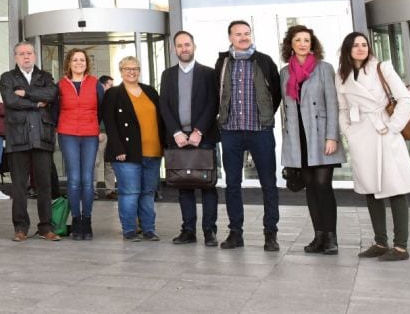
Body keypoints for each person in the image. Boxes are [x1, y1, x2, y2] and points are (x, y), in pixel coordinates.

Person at [336, 33, 410, 261]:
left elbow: (406, 100)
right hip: (361, 135)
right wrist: (348, 131)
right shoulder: (342, 76)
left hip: (384, 132)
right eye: (356, 45)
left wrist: (392, 127)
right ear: (347, 49)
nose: (361, 48)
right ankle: (380, 242)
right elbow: (342, 109)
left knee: (395, 188)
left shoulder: (382, 67)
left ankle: (401, 247)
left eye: (364, 44)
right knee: (371, 189)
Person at [214, 20, 282, 251]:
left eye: (246, 33)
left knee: (268, 184)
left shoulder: (264, 61)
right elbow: (217, 92)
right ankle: (235, 233)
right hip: (230, 131)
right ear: (230, 38)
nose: (243, 37)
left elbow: (277, 92)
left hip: (260, 131)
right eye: (238, 34)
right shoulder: (222, 63)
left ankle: (270, 234)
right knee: (232, 184)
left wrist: (265, 116)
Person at [279, 25, 344, 255]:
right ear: (291, 44)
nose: (303, 44)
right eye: (298, 40)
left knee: (323, 186)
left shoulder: (324, 69)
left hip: (321, 137)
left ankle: (331, 238)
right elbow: (287, 109)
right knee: (310, 190)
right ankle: (318, 237)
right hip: (299, 139)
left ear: (312, 44)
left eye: (307, 40)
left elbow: (333, 104)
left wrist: (331, 136)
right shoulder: (285, 72)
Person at [158, 31, 220, 247]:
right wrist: (176, 132)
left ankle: (209, 231)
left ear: (194, 46)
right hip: (178, 140)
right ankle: (188, 230)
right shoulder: (167, 75)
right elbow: (164, 105)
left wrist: (198, 131)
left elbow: (213, 104)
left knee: (208, 185)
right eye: (179, 45)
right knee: (184, 185)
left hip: (203, 138)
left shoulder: (209, 74)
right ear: (174, 49)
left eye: (187, 44)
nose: (184, 48)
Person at [0, 41, 60, 242]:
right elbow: (10, 101)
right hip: (18, 137)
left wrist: (26, 94)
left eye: (29, 53)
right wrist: (37, 103)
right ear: (15, 57)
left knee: (44, 184)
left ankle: (46, 227)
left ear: (35, 55)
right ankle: (20, 227)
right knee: (19, 186)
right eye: (21, 54)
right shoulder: (8, 78)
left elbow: (51, 94)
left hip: (42, 136)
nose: (26, 57)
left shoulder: (45, 77)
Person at [103, 56, 164, 241]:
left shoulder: (150, 91)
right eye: (128, 68)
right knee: (129, 193)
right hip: (126, 153)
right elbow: (110, 124)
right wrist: (118, 148)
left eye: (135, 68)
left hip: (152, 152)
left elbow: (161, 120)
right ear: (121, 71)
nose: (132, 71)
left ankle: (148, 229)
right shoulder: (113, 94)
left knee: (147, 193)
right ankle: (129, 230)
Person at [56, 49, 104, 240]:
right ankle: (76, 219)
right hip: (67, 134)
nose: (78, 63)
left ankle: (87, 220)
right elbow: (55, 109)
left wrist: (97, 128)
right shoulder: (60, 85)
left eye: (82, 60)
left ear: (87, 63)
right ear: (69, 63)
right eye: (75, 60)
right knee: (74, 179)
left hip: (90, 134)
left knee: (87, 179)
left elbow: (101, 108)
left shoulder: (95, 84)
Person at [96, 75, 117, 200]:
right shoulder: (97, 97)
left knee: (110, 163)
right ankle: (92, 190)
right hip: (100, 133)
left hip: (110, 134)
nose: (112, 88)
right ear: (102, 84)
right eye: (110, 85)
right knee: (96, 162)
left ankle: (110, 190)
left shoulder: (111, 98)